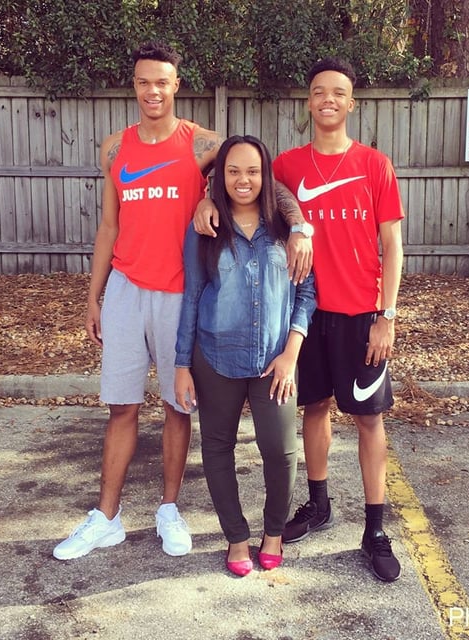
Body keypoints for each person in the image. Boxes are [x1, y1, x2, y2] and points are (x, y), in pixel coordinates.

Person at [53, 42, 312, 561]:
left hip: (181, 289)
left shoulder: (202, 143)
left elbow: (261, 177)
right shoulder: (114, 149)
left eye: (163, 81)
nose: (153, 90)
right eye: (144, 81)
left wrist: (299, 225)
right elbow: (108, 226)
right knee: (121, 406)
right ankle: (106, 517)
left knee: (177, 407)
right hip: (127, 286)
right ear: (134, 85)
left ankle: (168, 510)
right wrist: (94, 295)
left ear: (176, 85)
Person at [193, 57, 405, 582]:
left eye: (338, 92)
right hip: (303, 316)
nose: (327, 100)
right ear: (307, 102)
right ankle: (318, 503)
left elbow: (393, 245)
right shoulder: (287, 163)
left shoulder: (375, 164)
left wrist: (388, 314)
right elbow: (250, 183)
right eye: (318, 92)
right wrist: (204, 198)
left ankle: (375, 530)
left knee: (368, 419)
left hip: (359, 312)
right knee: (313, 408)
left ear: (351, 103)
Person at [174, 135, 316, 576]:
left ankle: (273, 534)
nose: (243, 180)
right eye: (233, 171)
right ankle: (236, 538)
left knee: (281, 450)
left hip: (276, 360)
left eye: (252, 171)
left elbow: (306, 292)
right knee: (218, 448)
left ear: (266, 176)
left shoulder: (287, 232)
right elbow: (192, 297)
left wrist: (291, 352)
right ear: (220, 178)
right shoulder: (205, 230)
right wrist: (181, 364)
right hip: (215, 357)